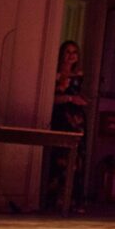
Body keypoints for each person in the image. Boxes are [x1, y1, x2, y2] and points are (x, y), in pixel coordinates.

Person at [47, 40, 88, 210]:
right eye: (68, 52)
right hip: (61, 118)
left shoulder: (79, 75)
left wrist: (82, 101)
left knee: (77, 160)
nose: (71, 56)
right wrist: (70, 98)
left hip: (77, 119)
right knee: (60, 159)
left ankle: (72, 200)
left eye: (74, 52)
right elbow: (50, 98)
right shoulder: (54, 74)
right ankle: (54, 200)